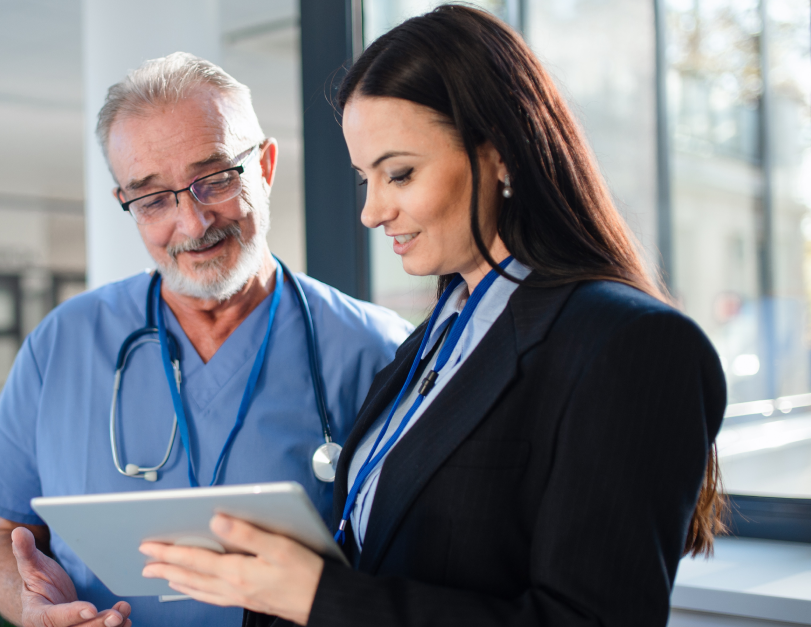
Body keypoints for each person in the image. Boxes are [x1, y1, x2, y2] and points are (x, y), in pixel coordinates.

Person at [138, 6, 727, 626]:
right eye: (365, 179)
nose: (371, 212)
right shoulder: (434, 341)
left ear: (500, 154)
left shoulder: (629, 345)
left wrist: (316, 594)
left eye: (399, 174)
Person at [0, 52, 412, 627]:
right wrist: (26, 604)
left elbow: (417, 562)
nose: (192, 224)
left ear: (265, 166)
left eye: (214, 179)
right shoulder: (63, 344)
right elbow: (7, 534)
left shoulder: (377, 351)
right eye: (151, 199)